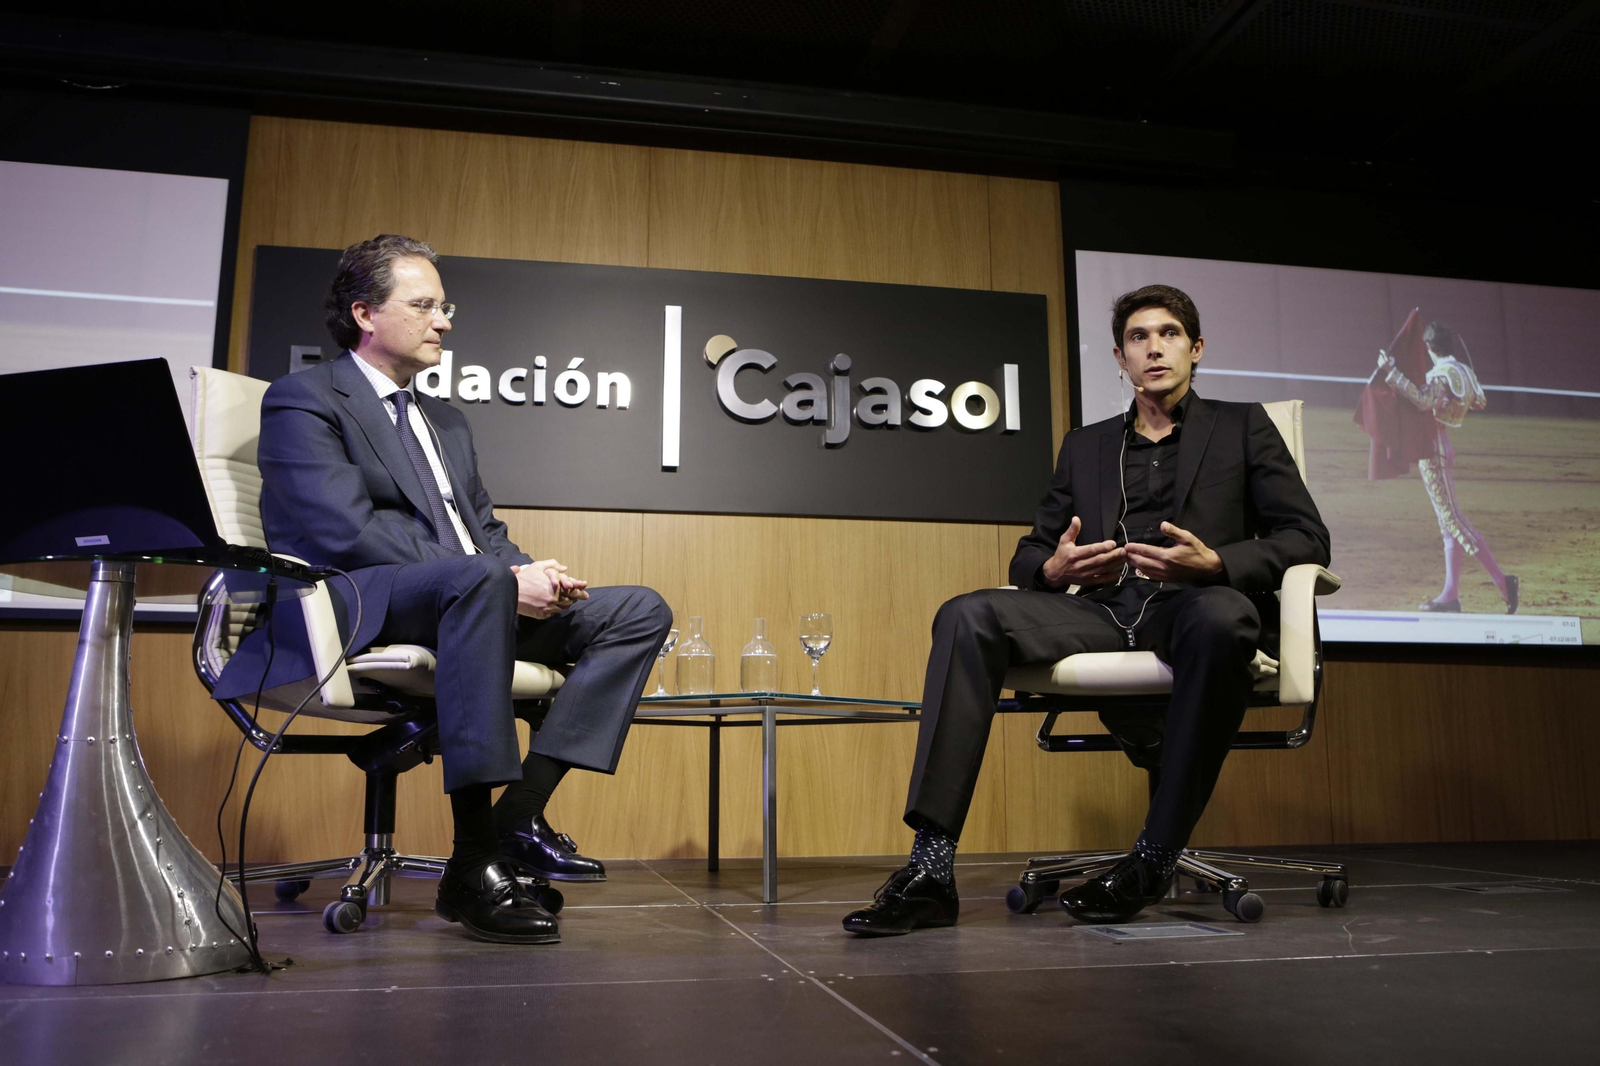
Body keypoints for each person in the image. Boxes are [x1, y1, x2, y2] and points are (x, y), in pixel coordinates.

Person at [213, 235, 673, 945]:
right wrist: (496, 577)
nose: (444, 321)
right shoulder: (304, 400)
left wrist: (530, 573)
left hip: (470, 597)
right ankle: (474, 858)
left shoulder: (445, 421)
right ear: (365, 313)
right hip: (360, 602)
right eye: (424, 305)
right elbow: (344, 534)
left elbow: (482, 530)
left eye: (444, 305)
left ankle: (518, 814)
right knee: (482, 579)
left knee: (637, 609)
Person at [842, 284, 1331, 935]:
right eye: (1138, 338)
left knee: (1221, 617)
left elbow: (1305, 538)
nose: (1154, 347)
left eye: (1169, 334)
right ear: (1119, 357)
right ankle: (931, 868)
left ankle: (1154, 859)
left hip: (1191, 610)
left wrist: (1215, 563)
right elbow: (1032, 554)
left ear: (1196, 348)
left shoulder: (1243, 427)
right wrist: (1054, 569)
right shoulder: (1087, 446)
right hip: (1102, 616)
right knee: (966, 614)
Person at [1376, 322, 1518, 613]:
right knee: (1447, 524)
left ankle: (1503, 581)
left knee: (1453, 520)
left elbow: (1422, 400)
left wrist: (1393, 375)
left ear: (1429, 349)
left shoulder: (1441, 373)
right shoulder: (1464, 372)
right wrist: (1452, 402)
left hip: (1434, 449)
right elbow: (1479, 401)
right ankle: (1450, 594)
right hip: (1444, 445)